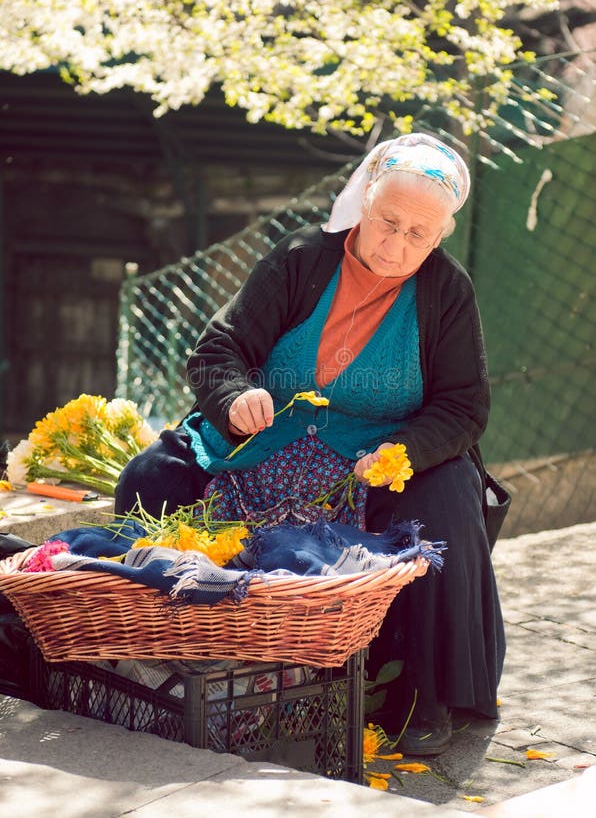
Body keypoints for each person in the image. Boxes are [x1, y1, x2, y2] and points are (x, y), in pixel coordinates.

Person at [115, 132, 505, 756]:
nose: (397, 243)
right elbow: (220, 350)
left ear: (440, 237)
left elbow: (463, 406)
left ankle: (419, 697)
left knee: (449, 493)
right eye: (388, 221)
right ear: (365, 201)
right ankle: (165, 656)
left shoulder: (445, 291)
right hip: (260, 446)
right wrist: (235, 397)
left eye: (418, 234)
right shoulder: (298, 259)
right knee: (151, 478)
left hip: (369, 467)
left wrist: (405, 451)